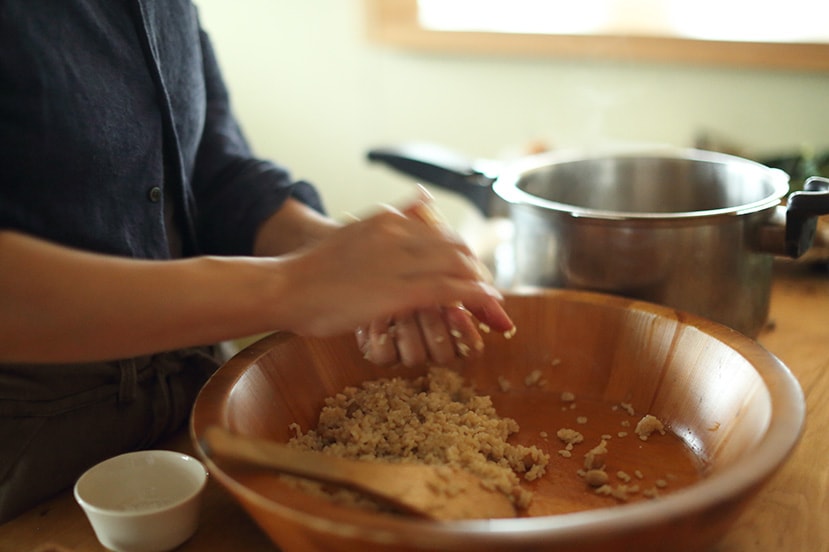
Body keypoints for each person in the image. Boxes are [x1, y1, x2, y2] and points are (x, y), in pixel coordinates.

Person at [0, 0, 514, 522]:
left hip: (195, 435)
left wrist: (337, 254)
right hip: (26, 477)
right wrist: (291, 288)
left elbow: (210, 167)